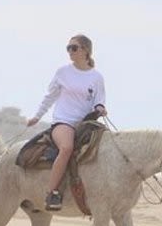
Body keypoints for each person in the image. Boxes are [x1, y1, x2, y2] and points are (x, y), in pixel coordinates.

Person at [27, 34, 107, 211]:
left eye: (74, 48)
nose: (70, 51)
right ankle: (52, 192)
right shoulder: (63, 72)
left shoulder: (96, 77)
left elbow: (99, 100)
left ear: (85, 50)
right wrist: (37, 117)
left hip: (85, 124)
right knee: (67, 148)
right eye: (69, 48)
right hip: (63, 122)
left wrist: (101, 108)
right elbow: (49, 97)